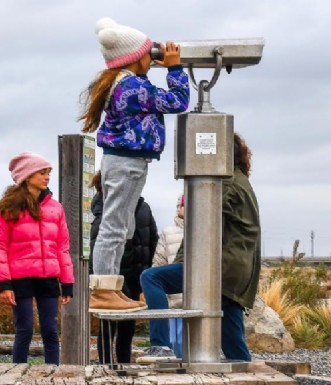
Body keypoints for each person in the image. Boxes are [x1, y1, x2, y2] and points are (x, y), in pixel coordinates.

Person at [79, 17, 189, 312]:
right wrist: (175, 67)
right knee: (114, 227)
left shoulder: (125, 83)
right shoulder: (131, 87)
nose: (152, 58)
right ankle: (103, 289)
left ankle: (109, 288)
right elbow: (178, 102)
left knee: (122, 227)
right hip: (127, 162)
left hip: (126, 161)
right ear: (133, 57)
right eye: (147, 52)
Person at [140, 134, 261, 361]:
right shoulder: (239, 180)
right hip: (235, 271)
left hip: (220, 268)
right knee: (233, 343)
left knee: (152, 278)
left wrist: (192, 209)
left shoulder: (224, 184)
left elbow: (201, 225)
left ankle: (160, 346)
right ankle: (249, 380)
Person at [0, 152, 74, 364]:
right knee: (24, 329)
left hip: (48, 277)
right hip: (20, 278)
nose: (47, 177)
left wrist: (67, 282)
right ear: (26, 176)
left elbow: (62, 247)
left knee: (50, 330)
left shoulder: (56, 208)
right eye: (42, 173)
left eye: (48, 173)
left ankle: (53, 376)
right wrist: (4, 284)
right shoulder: (7, 208)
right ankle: (16, 375)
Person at [89, 171, 158, 364]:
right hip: (113, 280)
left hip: (137, 277)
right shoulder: (103, 214)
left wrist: (147, 274)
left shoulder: (144, 208)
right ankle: (105, 366)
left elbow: (153, 241)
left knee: (128, 330)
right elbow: (97, 250)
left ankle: (124, 365)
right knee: (108, 328)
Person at [151, 194, 185, 355]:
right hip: (174, 301)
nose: (181, 208)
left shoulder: (206, 231)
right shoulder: (168, 232)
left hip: (196, 300)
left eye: (183, 205)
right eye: (179, 205)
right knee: (176, 343)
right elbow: (159, 263)